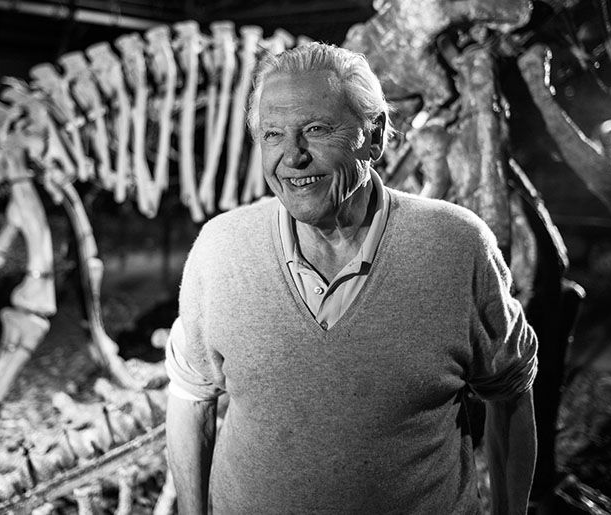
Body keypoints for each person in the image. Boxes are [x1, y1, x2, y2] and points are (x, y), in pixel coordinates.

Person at [165, 43, 538, 514]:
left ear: (375, 136)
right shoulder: (219, 250)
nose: (292, 156)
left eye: (317, 130)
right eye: (272, 135)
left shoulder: (457, 246)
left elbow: (510, 391)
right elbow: (191, 395)